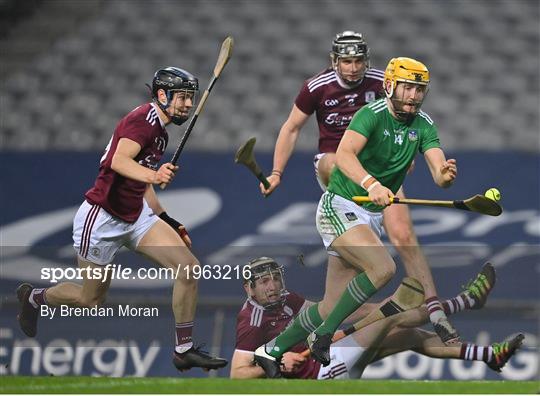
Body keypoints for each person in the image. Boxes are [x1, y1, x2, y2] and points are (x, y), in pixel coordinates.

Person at [255, 56, 463, 372]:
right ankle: (323, 337)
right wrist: (372, 183)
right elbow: (344, 154)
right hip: (340, 205)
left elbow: (438, 171)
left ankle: (271, 350)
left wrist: (445, 176)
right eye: (408, 88)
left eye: (419, 90)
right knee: (383, 268)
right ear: (391, 86)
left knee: (329, 307)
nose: (414, 96)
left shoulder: (424, 125)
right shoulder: (371, 114)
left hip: (369, 217)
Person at [15, 67, 228, 372]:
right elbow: (119, 160)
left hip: (136, 216)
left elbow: (142, 184)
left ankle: (183, 350)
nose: (188, 105)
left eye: (191, 99)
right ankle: (34, 297)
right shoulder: (143, 120)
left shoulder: (161, 131)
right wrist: (154, 173)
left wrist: (167, 219)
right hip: (102, 219)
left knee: (188, 269)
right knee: (91, 300)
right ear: (161, 95)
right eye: (182, 97)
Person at [233, 257, 523, 379]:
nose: (272, 286)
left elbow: (331, 314)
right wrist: (280, 364)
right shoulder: (251, 320)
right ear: (249, 288)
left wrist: (379, 305)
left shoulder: (289, 300)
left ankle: (490, 355)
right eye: (263, 282)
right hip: (322, 377)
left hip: (328, 358)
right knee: (391, 319)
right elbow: (237, 375)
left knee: (409, 335)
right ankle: (465, 302)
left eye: (274, 278)